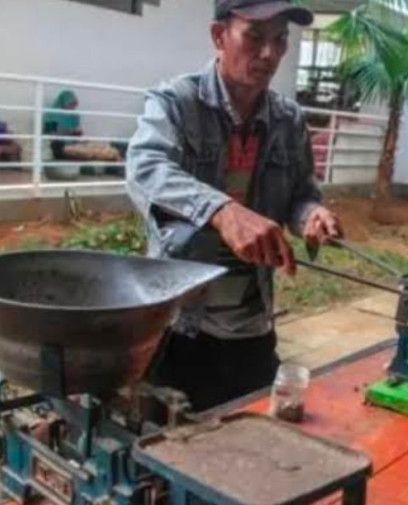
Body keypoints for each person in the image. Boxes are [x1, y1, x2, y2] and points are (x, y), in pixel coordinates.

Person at [126, 0, 342, 412]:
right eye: (255, 37)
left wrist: (311, 215)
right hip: (177, 320)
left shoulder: (288, 119)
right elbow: (145, 167)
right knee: (167, 450)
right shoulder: (176, 102)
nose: (269, 54)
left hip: (250, 324)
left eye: (280, 40)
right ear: (219, 36)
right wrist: (222, 211)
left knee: (254, 438)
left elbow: (301, 192)